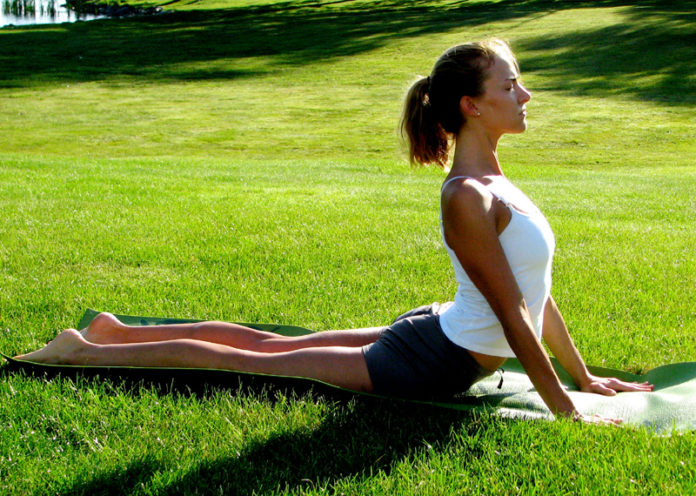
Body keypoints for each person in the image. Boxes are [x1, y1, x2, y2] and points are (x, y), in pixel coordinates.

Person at [16, 39, 653, 423]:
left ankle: (114, 332)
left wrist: (585, 378)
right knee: (251, 362)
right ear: (473, 105)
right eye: (511, 84)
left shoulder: (497, 183)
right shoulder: (466, 195)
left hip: (437, 332)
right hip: (430, 361)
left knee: (267, 346)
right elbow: (513, 317)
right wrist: (568, 412)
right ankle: (85, 351)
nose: (526, 95)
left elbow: (534, 295)